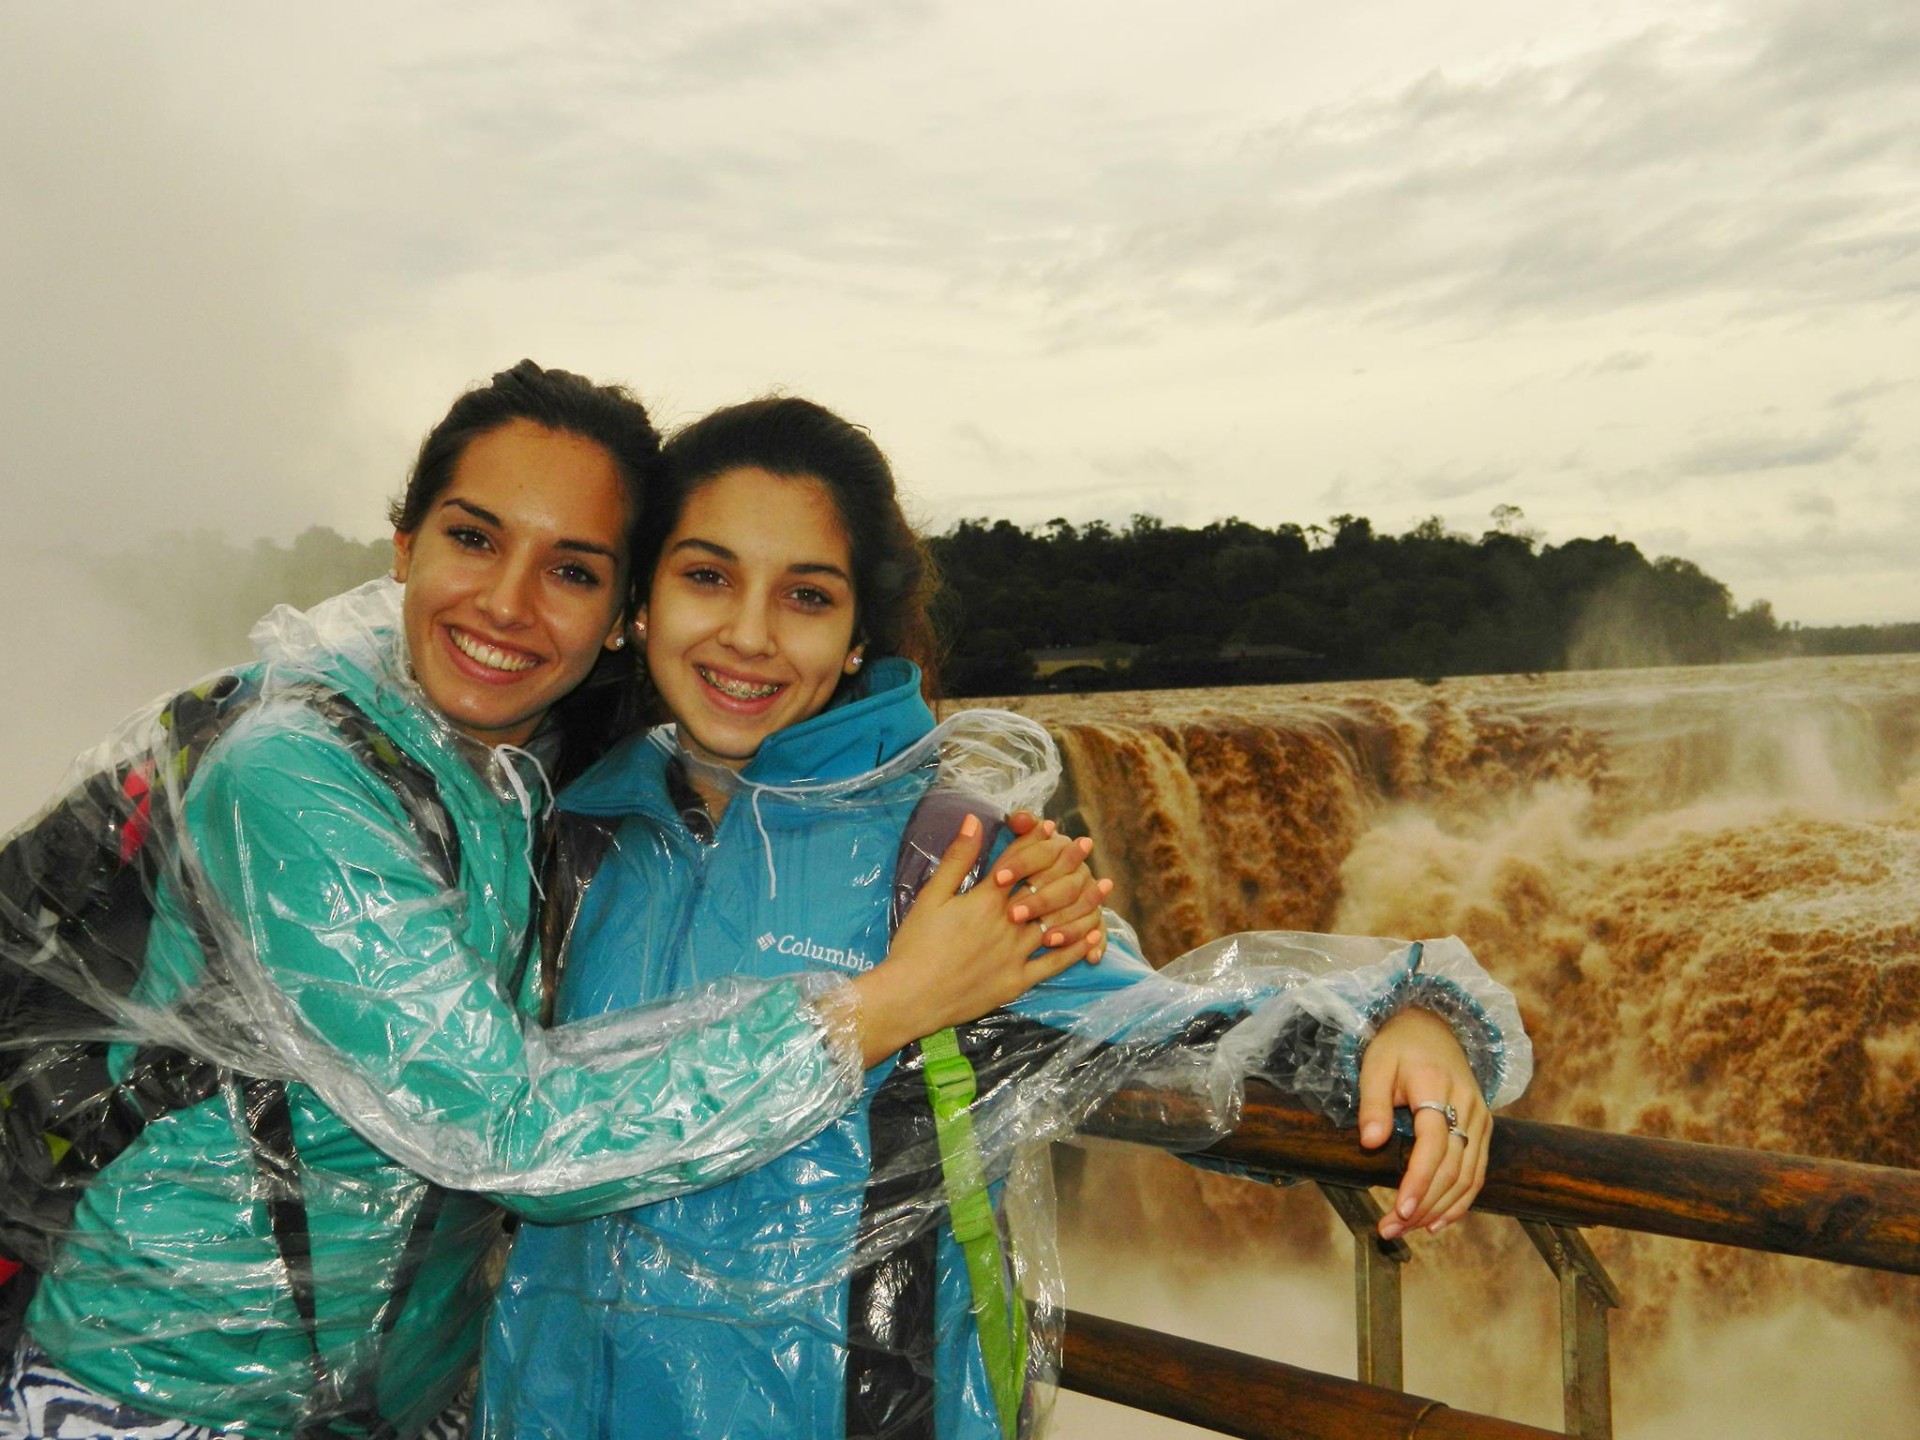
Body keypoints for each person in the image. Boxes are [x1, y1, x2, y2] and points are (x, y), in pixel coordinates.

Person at [0, 364, 1105, 1440]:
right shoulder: (289, 775)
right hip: (156, 1387)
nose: (509, 604)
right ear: (404, 546)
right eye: (474, 538)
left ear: (620, 610)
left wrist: (1035, 899)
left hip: (418, 1392)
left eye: (572, 571)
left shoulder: (550, 774)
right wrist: (885, 1007)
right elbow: (507, 1133)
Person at [475, 397, 1533, 1440]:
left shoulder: (943, 855)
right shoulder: (572, 834)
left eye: (807, 595)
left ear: (855, 639)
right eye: (708, 576)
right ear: (642, 603)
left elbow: (1177, 1039)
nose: (749, 635)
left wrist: (1418, 1018)